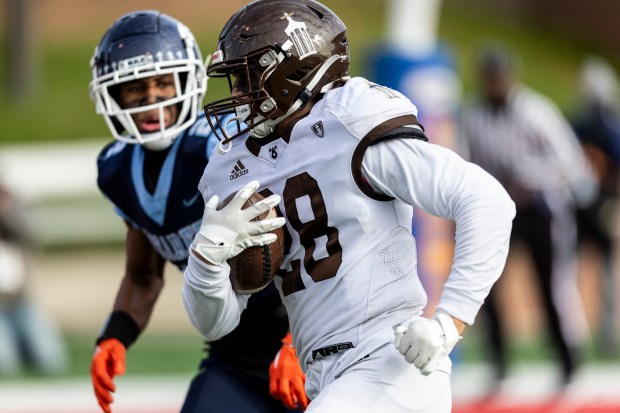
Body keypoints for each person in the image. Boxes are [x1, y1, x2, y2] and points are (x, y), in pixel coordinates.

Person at [182, 1, 515, 411]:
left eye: (246, 77)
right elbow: (215, 322)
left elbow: (487, 200)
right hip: (324, 377)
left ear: (292, 71)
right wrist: (206, 258)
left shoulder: (350, 120)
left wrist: (450, 321)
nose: (236, 93)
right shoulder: (233, 167)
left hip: (390, 361)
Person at [88, 10, 307, 413]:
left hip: (312, 342)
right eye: (135, 88)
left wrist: (298, 342)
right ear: (112, 95)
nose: (151, 98)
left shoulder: (227, 145)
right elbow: (143, 273)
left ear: (188, 80)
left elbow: (311, 240)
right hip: (233, 357)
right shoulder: (116, 170)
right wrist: (115, 335)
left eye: (161, 82)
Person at [458, 44, 597, 390]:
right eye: (489, 77)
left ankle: (569, 363)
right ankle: (499, 362)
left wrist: (529, 173)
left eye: (499, 76)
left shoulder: (536, 111)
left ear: (511, 76)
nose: (495, 83)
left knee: (552, 284)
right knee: (485, 283)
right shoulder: (474, 116)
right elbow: (473, 163)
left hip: (542, 208)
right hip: (502, 211)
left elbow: (570, 163)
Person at [572, 55, 620, 357]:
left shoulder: (602, 125)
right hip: (587, 203)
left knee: (598, 271)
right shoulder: (582, 124)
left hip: (597, 202)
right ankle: (580, 330)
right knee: (576, 269)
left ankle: (599, 331)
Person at [0, 179, 69, 377]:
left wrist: (7, 211)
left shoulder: (16, 211)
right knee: (5, 364)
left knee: (50, 359)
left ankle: (23, 345)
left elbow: (31, 232)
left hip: (21, 301)